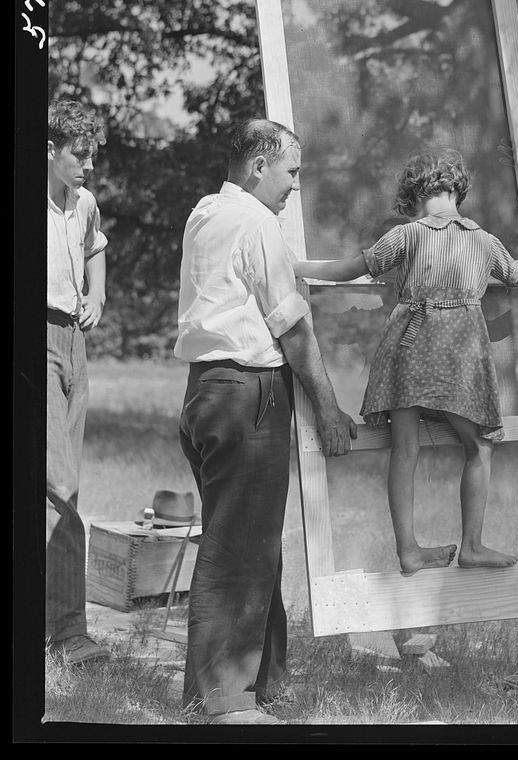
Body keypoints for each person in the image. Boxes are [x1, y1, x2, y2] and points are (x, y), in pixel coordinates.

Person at [292, 149, 518, 578]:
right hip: (461, 353)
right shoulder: (484, 241)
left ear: (416, 193)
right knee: (478, 447)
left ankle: (408, 550)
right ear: (457, 191)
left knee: (405, 449)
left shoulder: (406, 235)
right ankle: (472, 544)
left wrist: (296, 266)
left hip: (410, 345)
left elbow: (348, 269)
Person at [174, 118, 357, 726]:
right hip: (245, 392)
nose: (295, 187)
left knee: (255, 541)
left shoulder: (205, 212)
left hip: (207, 390)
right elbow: (294, 329)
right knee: (239, 546)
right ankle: (224, 698)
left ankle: (264, 681)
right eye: (291, 172)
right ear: (259, 165)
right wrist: (330, 409)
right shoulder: (257, 222)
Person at [46, 99, 111, 665]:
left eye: (92, 155)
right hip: (37, 340)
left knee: (63, 485)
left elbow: (95, 249)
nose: (87, 165)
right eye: (79, 155)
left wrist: (98, 292)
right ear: (50, 150)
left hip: (75, 344)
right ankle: (68, 633)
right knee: (59, 488)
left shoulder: (85, 202)